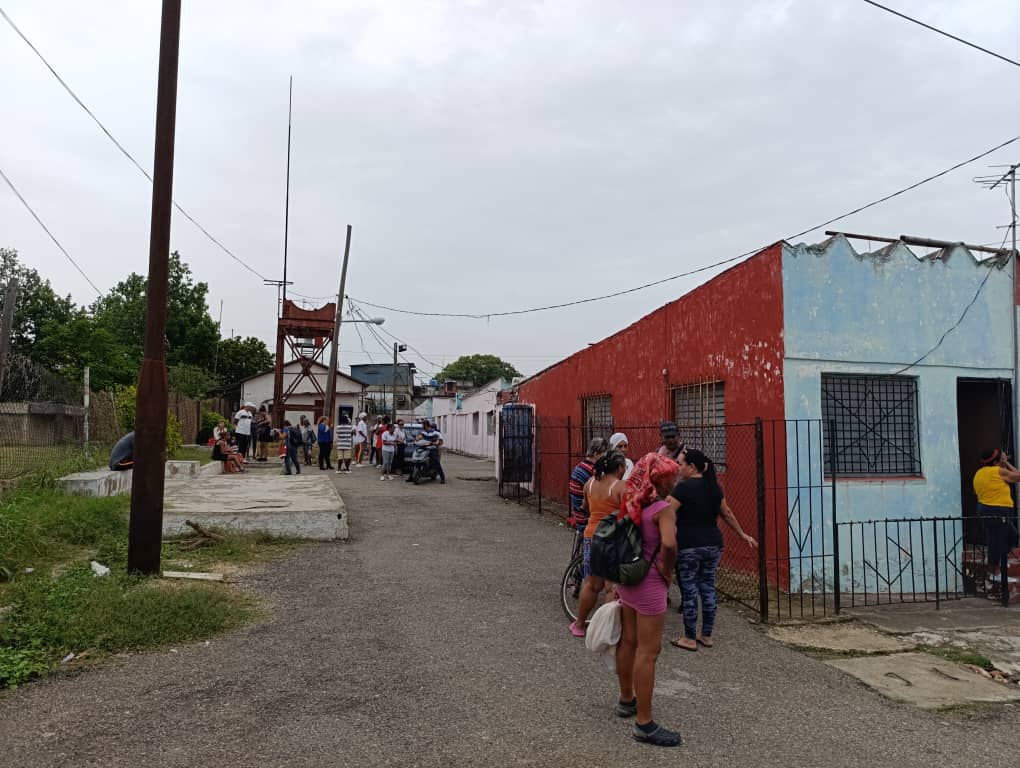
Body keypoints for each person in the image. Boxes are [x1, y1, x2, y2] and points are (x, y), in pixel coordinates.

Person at [614, 452, 681, 747]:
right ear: (660, 481)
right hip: (650, 582)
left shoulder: (632, 501)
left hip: (629, 577)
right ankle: (644, 723)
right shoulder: (663, 509)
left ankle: (626, 699)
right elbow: (669, 543)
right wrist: (667, 570)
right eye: (670, 478)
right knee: (648, 652)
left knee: (628, 641)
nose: (674, 482)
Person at [666, 448, 757, 651]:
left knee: (689, 590)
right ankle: (706, 635)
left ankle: (689, 637)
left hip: (689, 545)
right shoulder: (714, 487)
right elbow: (727, 513)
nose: (678, 468)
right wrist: (742, 534)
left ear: (691, 467)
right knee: (708, 587)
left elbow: (666, 511)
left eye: (681, 464)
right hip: (713, 544)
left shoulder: (683, 488)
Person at [569, 450, 628, 637]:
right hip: (612, 538)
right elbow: (629, 514)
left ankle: (579, 625)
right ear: (620, 467)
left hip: (591, 536)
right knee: (611, 587)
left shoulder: (590, 483)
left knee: (591, 584)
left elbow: (585, 508)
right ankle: (604, 630)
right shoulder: (621, 487)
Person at [973, 448, 1020, 569]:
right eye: (1000, 460)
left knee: (998, 537)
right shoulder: (997, 471)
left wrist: (1003, 462)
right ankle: (997, 569)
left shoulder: (979, 473)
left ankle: (997, 564)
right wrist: (1007, 463)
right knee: (1003, 538)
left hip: (983, 508)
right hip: (998, 510)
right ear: (995, 462)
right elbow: (1018, 476)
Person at [568, 438, 608, 521]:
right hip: (586, 519)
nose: (605, 460)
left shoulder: (580, 466)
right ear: (596, 454)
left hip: (578, 516)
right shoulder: (591, 471)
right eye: (603, 456)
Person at [409, 419, 446, 484]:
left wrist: (436, 442)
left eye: (423, 425)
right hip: (424, 448)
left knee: (436, 462)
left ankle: (442, 478)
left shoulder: (435, 433)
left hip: (432, 449)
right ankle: (411, 477)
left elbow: (440, 440)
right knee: (414, 461)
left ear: (426, 425)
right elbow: (419, 437)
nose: (422, 426)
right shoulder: (423, 432)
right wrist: (416, 439)